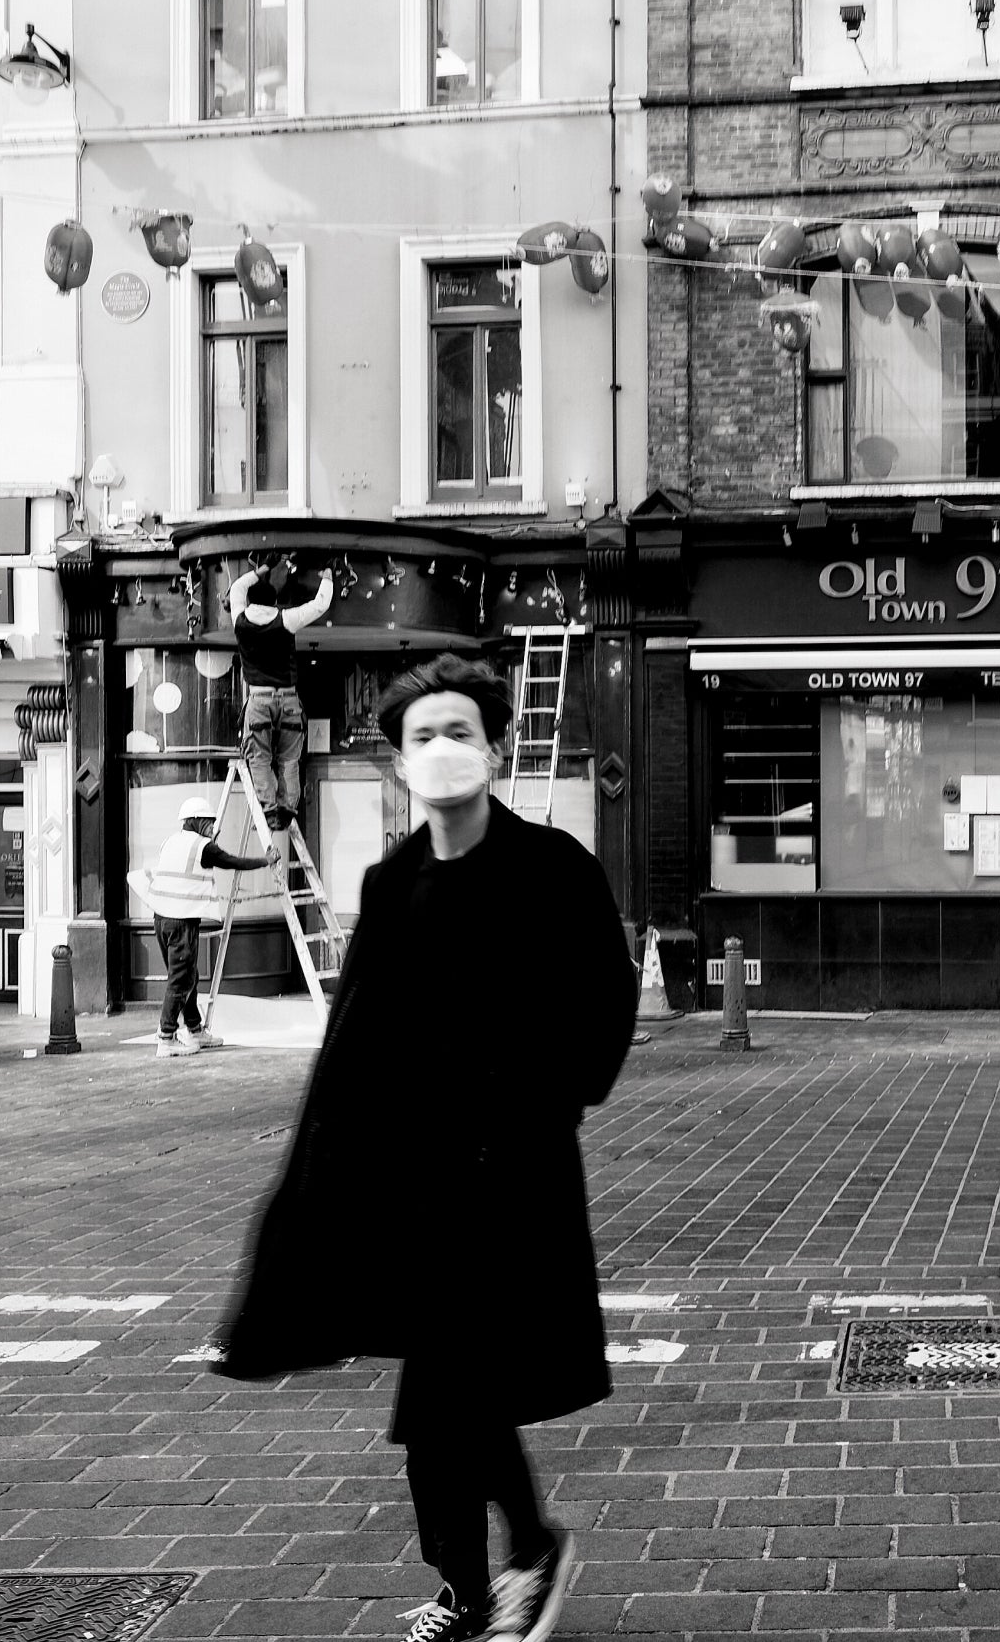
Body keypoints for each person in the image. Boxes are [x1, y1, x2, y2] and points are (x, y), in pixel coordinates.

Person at [211, 653, 637, 1642]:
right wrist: (318, 1181)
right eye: (421, 737)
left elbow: (602, 1004)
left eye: (459, 732)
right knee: (445, 1395)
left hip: (515, 1178)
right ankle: (502, 1568)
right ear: (401, 761)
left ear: (495, 747)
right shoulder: (392, 881)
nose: (441, 751)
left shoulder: (552, 867)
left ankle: (499, 1573)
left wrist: (543, 1103)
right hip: (415, 1184)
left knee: (446, 1390)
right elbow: (355, 1038)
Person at [142, 795, 276, 1058]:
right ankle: (166, 1037)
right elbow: (231, 861)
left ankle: (194, 1029)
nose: (211, 826)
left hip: (162, 918)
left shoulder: (171, 841)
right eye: (208, 821)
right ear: (193, 821)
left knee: (186, 976)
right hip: (181, 919)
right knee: (180, 980)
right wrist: (266, 861)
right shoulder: (203, 846)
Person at [230, 554, 336, 830]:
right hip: (288, 699)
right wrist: (327, 578)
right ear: (274, 601)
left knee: (260, 758)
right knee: (289, 758)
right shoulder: (286, 619)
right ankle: (287, 808)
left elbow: (238, 588)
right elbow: (320, 605)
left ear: (251, 601)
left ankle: (269, 811)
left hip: (259, 698)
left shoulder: (240, 620)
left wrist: (262, 569)